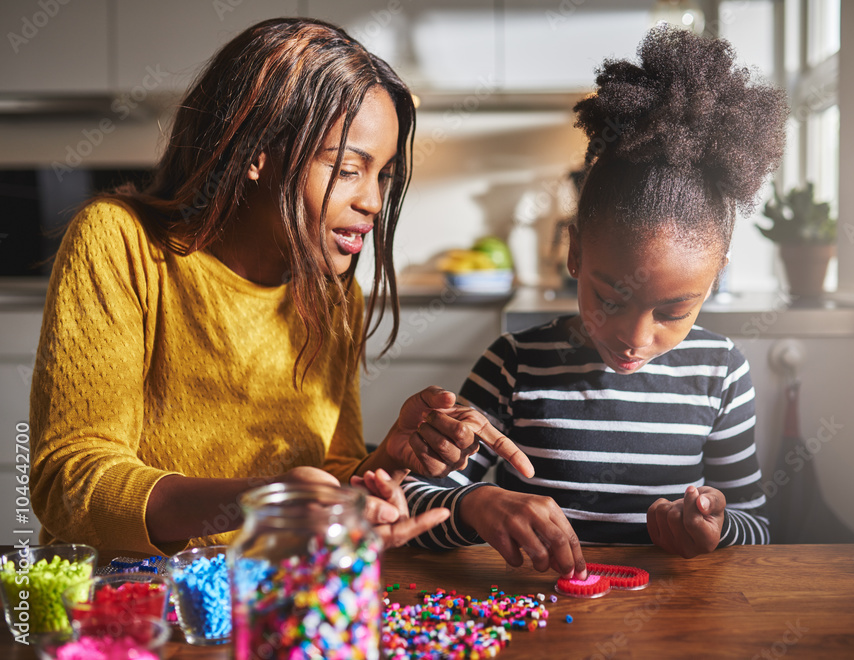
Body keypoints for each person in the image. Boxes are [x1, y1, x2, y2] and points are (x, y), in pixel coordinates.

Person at [28, 17, 532, 559]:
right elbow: (69, 483)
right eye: (348, 169)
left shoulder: (335, 294)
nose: (373, 202)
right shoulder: (120, 242)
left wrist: (390, 456)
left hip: (276, 599)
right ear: (255, 155)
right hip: (134, 611)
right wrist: (263, 502)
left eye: (381, 174)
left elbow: (329, 477)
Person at [403, 25, 787, 579]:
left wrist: (713, 529)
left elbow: (755, 527)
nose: (635, 336)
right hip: (537, 620)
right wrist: (475, 504)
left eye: (673, 312)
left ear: (715, 280)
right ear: (575, 253)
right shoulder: (514, 364)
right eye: (611, 297)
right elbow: (413, 503)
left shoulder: (721, 372)